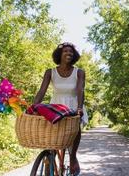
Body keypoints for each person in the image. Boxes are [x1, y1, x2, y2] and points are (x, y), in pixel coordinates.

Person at [33, 42, 88, 176]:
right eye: (65, 51)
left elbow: (81, 90)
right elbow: (42, 91)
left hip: (73, 104)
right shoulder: (50, 72)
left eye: (71, 52)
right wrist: (34, 106)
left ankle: (73, 156)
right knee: (52, 135)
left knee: (75, 130)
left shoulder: (79, 72)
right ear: (59, 55)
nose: (69, 53)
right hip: (56, 106)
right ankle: (50, 159)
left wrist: (79, 108)